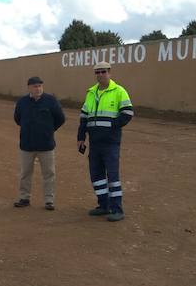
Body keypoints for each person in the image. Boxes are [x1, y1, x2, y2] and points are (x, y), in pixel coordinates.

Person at [77, 62, 133, 221]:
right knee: (97, 175)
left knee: (113, 176)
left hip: (110, 142)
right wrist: (80, 137)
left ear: (109, 72)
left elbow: (128, 113)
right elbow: (83, 118)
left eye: (103, 71)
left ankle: (117, 210)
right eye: (97, 72)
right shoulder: (91, 92)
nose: (100, 74)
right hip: (95, 143)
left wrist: (111, 126)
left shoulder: (119, 91)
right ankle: (104, 205)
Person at [13, 76, 66, 210]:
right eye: (35, 86)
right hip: (27, 144)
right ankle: (24, 198)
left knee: (49, 173)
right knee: (25, 173)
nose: (38, 89)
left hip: (46, 145)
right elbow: (17, 118)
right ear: (29, 88)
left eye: (40, 86)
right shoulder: (22, 102)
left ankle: (49, 200)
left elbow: (60, 118)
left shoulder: (51, 101)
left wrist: (48, 130)